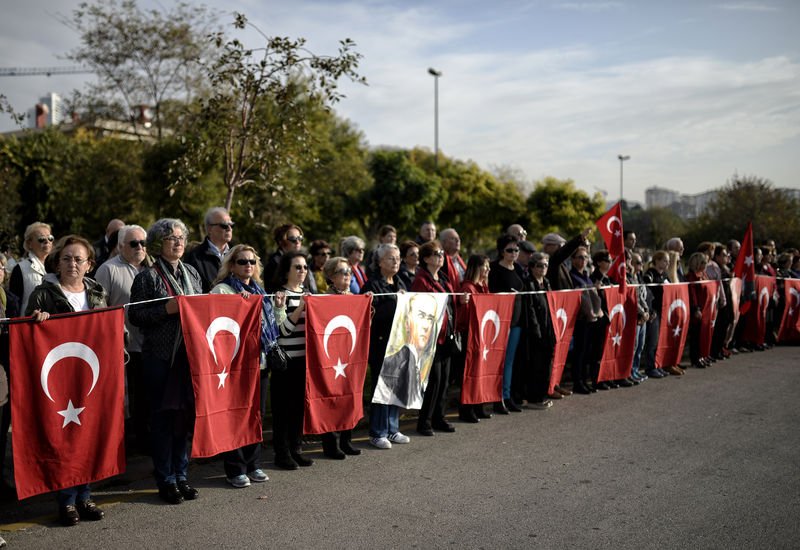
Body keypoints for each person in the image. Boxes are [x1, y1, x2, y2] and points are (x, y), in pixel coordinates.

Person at [26, 235, 107, 526]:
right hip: (59, 378)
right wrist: (38, 319)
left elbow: (108, 331)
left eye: (79, 259)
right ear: (57, 263)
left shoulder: (97, 292)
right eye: (67, 258)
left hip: (90, 376)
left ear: (89, 265)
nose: (72, 264)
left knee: (87, 436)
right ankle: (67, 501)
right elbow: (27, 331)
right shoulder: (43, 293)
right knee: (64, 438)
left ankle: (85, 496)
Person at [129, 219, 203, 505]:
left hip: (189, 356)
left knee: (183, 418)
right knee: (162, 419)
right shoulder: (147, 277)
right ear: (159, 243)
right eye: (171, 238)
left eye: (182, 237)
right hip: (160, 357)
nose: (178, 242)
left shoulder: (193, 273)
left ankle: (182, 476)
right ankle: (166, 479)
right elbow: (136, 316)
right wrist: (166, 309)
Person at [210, 244, 278, 487]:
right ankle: (235, 468)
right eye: (242, 261)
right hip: (234, 365)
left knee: (255, 415)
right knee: (236, 417)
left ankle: (254, 464)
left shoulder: (259, 290)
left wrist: (277, 306)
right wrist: (240, 306)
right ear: (231, 265)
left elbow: (271, 326)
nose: (247, 265)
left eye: (251, 261)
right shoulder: (222, 290)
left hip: (259, 364)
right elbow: (216, 325)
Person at [94, 224, 152, 452]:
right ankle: (125, 445)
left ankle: (145, 441)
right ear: (119, 247)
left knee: (147, 397)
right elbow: (99, 306)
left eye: (143, 243)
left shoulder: (153, 268)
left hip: (151, 344)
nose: (140, 247)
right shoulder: (108, 270)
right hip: (123, 348)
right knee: (127, 399)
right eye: (134, 243)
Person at [362, 243, 410, 449]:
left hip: (400, 343)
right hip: (381, 343)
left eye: (398, 258)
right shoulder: (371, 285)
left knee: (395, 385)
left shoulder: (402, 281)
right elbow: (371, 317)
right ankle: (377, 432)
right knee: (381, 388)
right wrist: (395, 303)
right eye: (391, 258)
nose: (396, 261)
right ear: (380, 262)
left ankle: (392, 428)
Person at [270, 250, 313, 469]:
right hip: (285, 362)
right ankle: (281, 453)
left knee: (298, 408)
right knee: (282, 410)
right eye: (298, 267)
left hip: (305, 361)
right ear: (287, 270)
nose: (302, 271)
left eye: (305, 267)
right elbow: (282, 330)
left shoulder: (309, 293)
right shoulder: (279, 295)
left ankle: (296, 449)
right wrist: (301, 307)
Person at [318, 256, 362, 459]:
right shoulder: (323, 299)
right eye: (343, 272)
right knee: (332, 397)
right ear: (331, 276)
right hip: (330, 356)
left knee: (349, 395)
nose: (347, 276)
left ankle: (346, 440)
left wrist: (366, 304)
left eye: (349, 272)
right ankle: (331, 443)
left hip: (349, 355)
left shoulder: (355, 298)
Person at [411, 240, 457, 435]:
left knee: (445, 379)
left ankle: (439, 417)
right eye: (437, 254)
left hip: (447, 334)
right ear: (427, 258)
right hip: (431, 337)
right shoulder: (421, 280)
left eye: (441, 254)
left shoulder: (443, 278)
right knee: (434, 380)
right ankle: (425, 422)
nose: (441, 257)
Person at [488, 235, 525, 412]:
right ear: (502, 251)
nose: (513, 253)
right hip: (499, 321)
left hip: (516, 321)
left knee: (509, 361)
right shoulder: (494, 269)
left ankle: (506, 396)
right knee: (498, 361)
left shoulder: (518, 268)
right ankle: (496, 398)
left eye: (516, 250)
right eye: (510, 250)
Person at [456, 254, 493, 422]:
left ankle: (479, 405)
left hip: (482, 336)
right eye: (485, 266)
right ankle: (466, 409)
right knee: (469, 373)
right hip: (469, 336)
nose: (488, 269)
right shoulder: (468, 288)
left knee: (481, 371)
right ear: (477, 268)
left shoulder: (483, 286)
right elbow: (463, 317)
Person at [569, 246, 603, 394]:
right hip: (580, 320)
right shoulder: (572, 276)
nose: (583, 260)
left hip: (592, 319)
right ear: (573, 259)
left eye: (585, 257)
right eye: (580, 257)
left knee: (587, 352)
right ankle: (578, 382)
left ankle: (584, 380)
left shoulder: (586, 276)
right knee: (579, 352)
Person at [526, 252, 558, 407]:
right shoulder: (529, 283)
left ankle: (543, 394)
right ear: (532, 267)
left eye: (545, 265)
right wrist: (536, 331)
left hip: (549, 329)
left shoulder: (546, 282)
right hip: (537, 331)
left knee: (546, 365)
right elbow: (530, 309)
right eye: (539, 265)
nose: (543, 268)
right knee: (536, 366)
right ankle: (534, 398)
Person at [184, 207, 234, 293]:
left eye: (231, 225)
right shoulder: (194, 257)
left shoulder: (239, 255)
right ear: (210, 229)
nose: (229, 228)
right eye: (224, 225)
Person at [10, 221, 54, 315]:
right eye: (41, 239)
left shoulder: (59, 267)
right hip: (30, 325)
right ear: (29, 243)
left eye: (50, 238)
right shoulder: (20, 269)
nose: (47, 241)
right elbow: (14, 306)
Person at [641, 251, 671, 378]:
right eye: (665, 260)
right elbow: (647, 294)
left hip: (663, 311)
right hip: (654, 312)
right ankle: (650, 367)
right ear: (657, 260)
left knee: (659, 341)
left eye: (668, 261)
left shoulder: (665, 275)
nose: (667, 263)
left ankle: (658, 365)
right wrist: (651, 310)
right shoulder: (650, 274)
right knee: (652, 342)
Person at [686, 252, 711, 368]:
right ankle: (695, 358)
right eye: (703, 262)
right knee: (695, 335)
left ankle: (702, 355)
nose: (705, 264)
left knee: (702, 334)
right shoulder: (692, 276)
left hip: (706, 309)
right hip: (697, 310)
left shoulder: (704, 274)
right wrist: (696, 309)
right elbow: (692, 294)